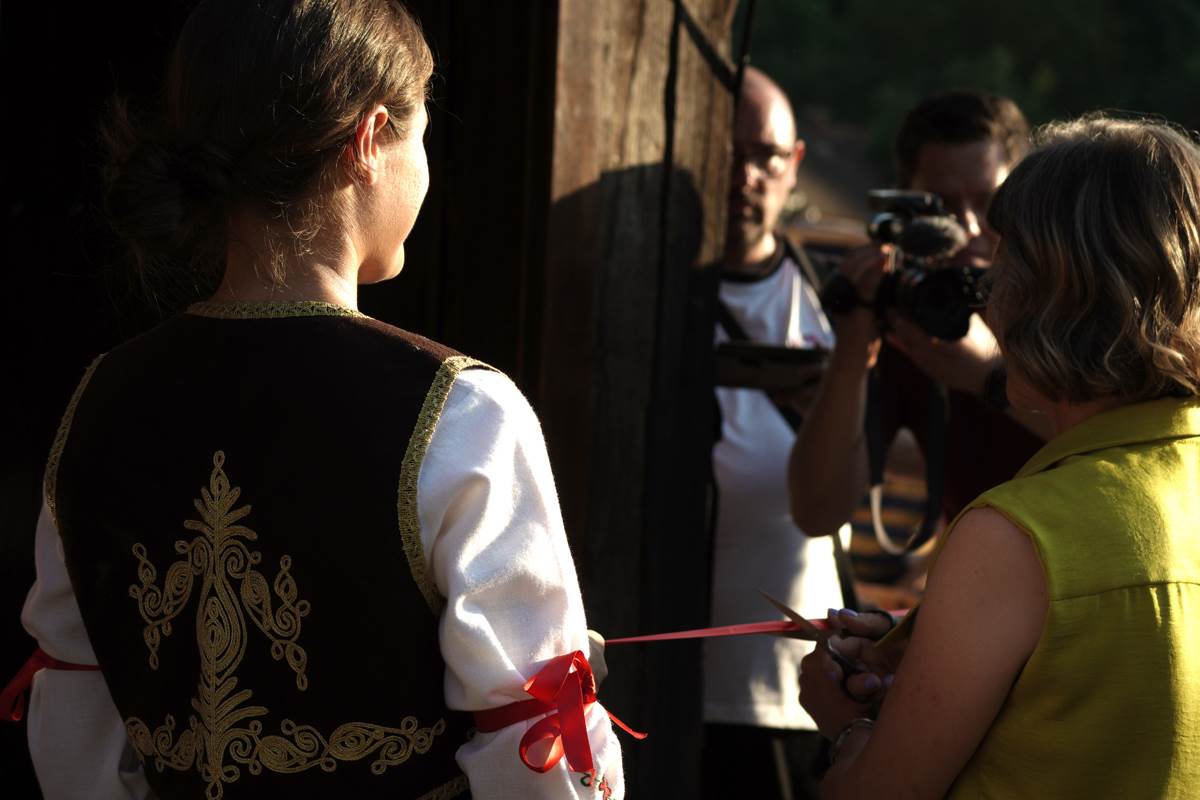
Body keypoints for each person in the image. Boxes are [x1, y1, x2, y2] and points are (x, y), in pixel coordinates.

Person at [6, 1, 623, 797]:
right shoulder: (464, 414)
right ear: (369, 140)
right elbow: (535, 754)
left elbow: (75, 727)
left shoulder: (95, 405)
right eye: (422, 135)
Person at [799, 115, 1200, 798]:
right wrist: (935, 651)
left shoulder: (1014, 535)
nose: (985, 291)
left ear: (1046, 294)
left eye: (1005, 257)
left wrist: (847, 729)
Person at [789, 91, 1050, 551]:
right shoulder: (911, 328)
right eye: (940, 208)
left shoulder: (1067, 308)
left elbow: (1136, 454)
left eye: (989, 204)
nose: (967, 228)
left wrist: (991, 378)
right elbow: (817, 510)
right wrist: (852, 353)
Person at [701, 66, 848, 800]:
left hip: (780, 701)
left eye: (765, 156)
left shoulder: (835, 306)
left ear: (793, 166)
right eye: (729, 152)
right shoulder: (632, 290)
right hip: (634, 690)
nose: (745, 176)